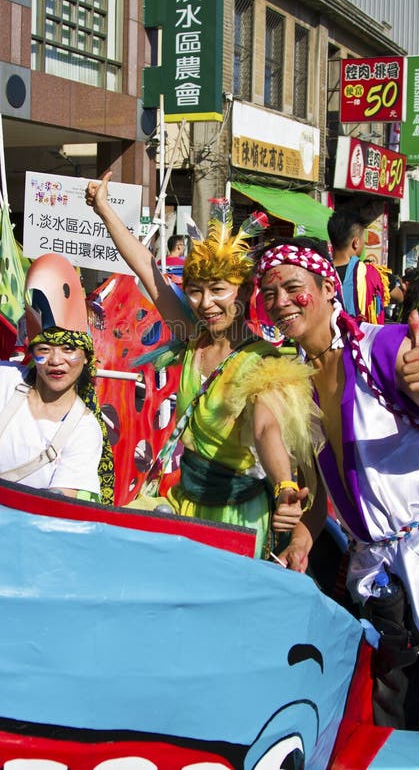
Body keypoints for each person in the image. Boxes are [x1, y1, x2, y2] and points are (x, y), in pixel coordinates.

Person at [257, 238, 419, 746]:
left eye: (293, 288)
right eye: (269, 293)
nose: (279, 302)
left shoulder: (381, 346)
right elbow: (322, 490)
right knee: (395, 727)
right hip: (384, 578)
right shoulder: (295, 383)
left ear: (326, 287)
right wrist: (303, 538)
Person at [85, 173, 321, 558]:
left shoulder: (265, 362)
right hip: (185, 502)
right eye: (195, 290)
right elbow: (147, 269)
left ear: (244, 293)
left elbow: (266, 428)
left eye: (218, 290)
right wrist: (104, 209)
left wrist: (284, 487)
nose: (204, 302)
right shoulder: (192, 333)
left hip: (237, 518)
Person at [0, 254, 114, 502]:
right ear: (32, 353)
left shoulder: (84, 429)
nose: (56, 360)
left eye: (69, 350)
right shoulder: (1, 378)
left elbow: (57, 508)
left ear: (87, 358)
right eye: (44, 350)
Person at [327, 209, 386, 323]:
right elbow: (398, 296)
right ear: (356, 242)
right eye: (364, 239)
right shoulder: (371, 274)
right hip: (361, 338)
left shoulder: (320, 274)